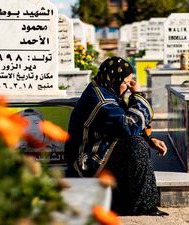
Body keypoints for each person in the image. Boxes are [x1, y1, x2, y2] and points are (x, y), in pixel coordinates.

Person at [65, 57, 168, 216]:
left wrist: (150, 140)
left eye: (130, 82)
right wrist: (138, 95)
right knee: (135, 144)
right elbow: (129, 125)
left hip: (101, 149)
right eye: (126, 82)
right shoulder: (101, 100)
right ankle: (143, 206)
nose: (128, 87)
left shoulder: (106, 90)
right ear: (113, 78)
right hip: (87, 160)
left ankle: (133, 202)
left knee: (137, 143)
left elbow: (122, 125)